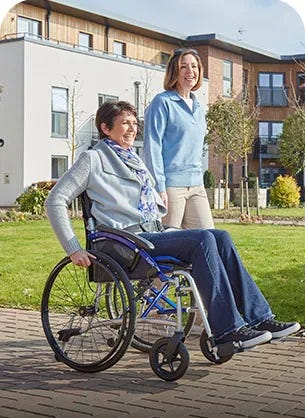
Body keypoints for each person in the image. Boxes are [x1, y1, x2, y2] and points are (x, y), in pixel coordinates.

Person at [45, 101, 300, 349]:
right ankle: (227, 331)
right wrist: (73, 248)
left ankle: (260, 318)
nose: (132, 128)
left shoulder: (132, 157)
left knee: (220, 236)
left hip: (151, 233)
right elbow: (55, 199)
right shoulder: (93, 159)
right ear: (105, 128)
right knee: (202, 240)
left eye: (134, 123)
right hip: (125, 242)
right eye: (125, 123)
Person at [143, 47, 214, 229]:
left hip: (197, 185)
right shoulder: (163, 102)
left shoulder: (198, 107)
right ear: (175, 71)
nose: (190, 72)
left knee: (209, 237)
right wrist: (159, 187)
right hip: (171, 186)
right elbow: (152, 147)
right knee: (170, 243)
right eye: (184, 67)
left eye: (194, 66)